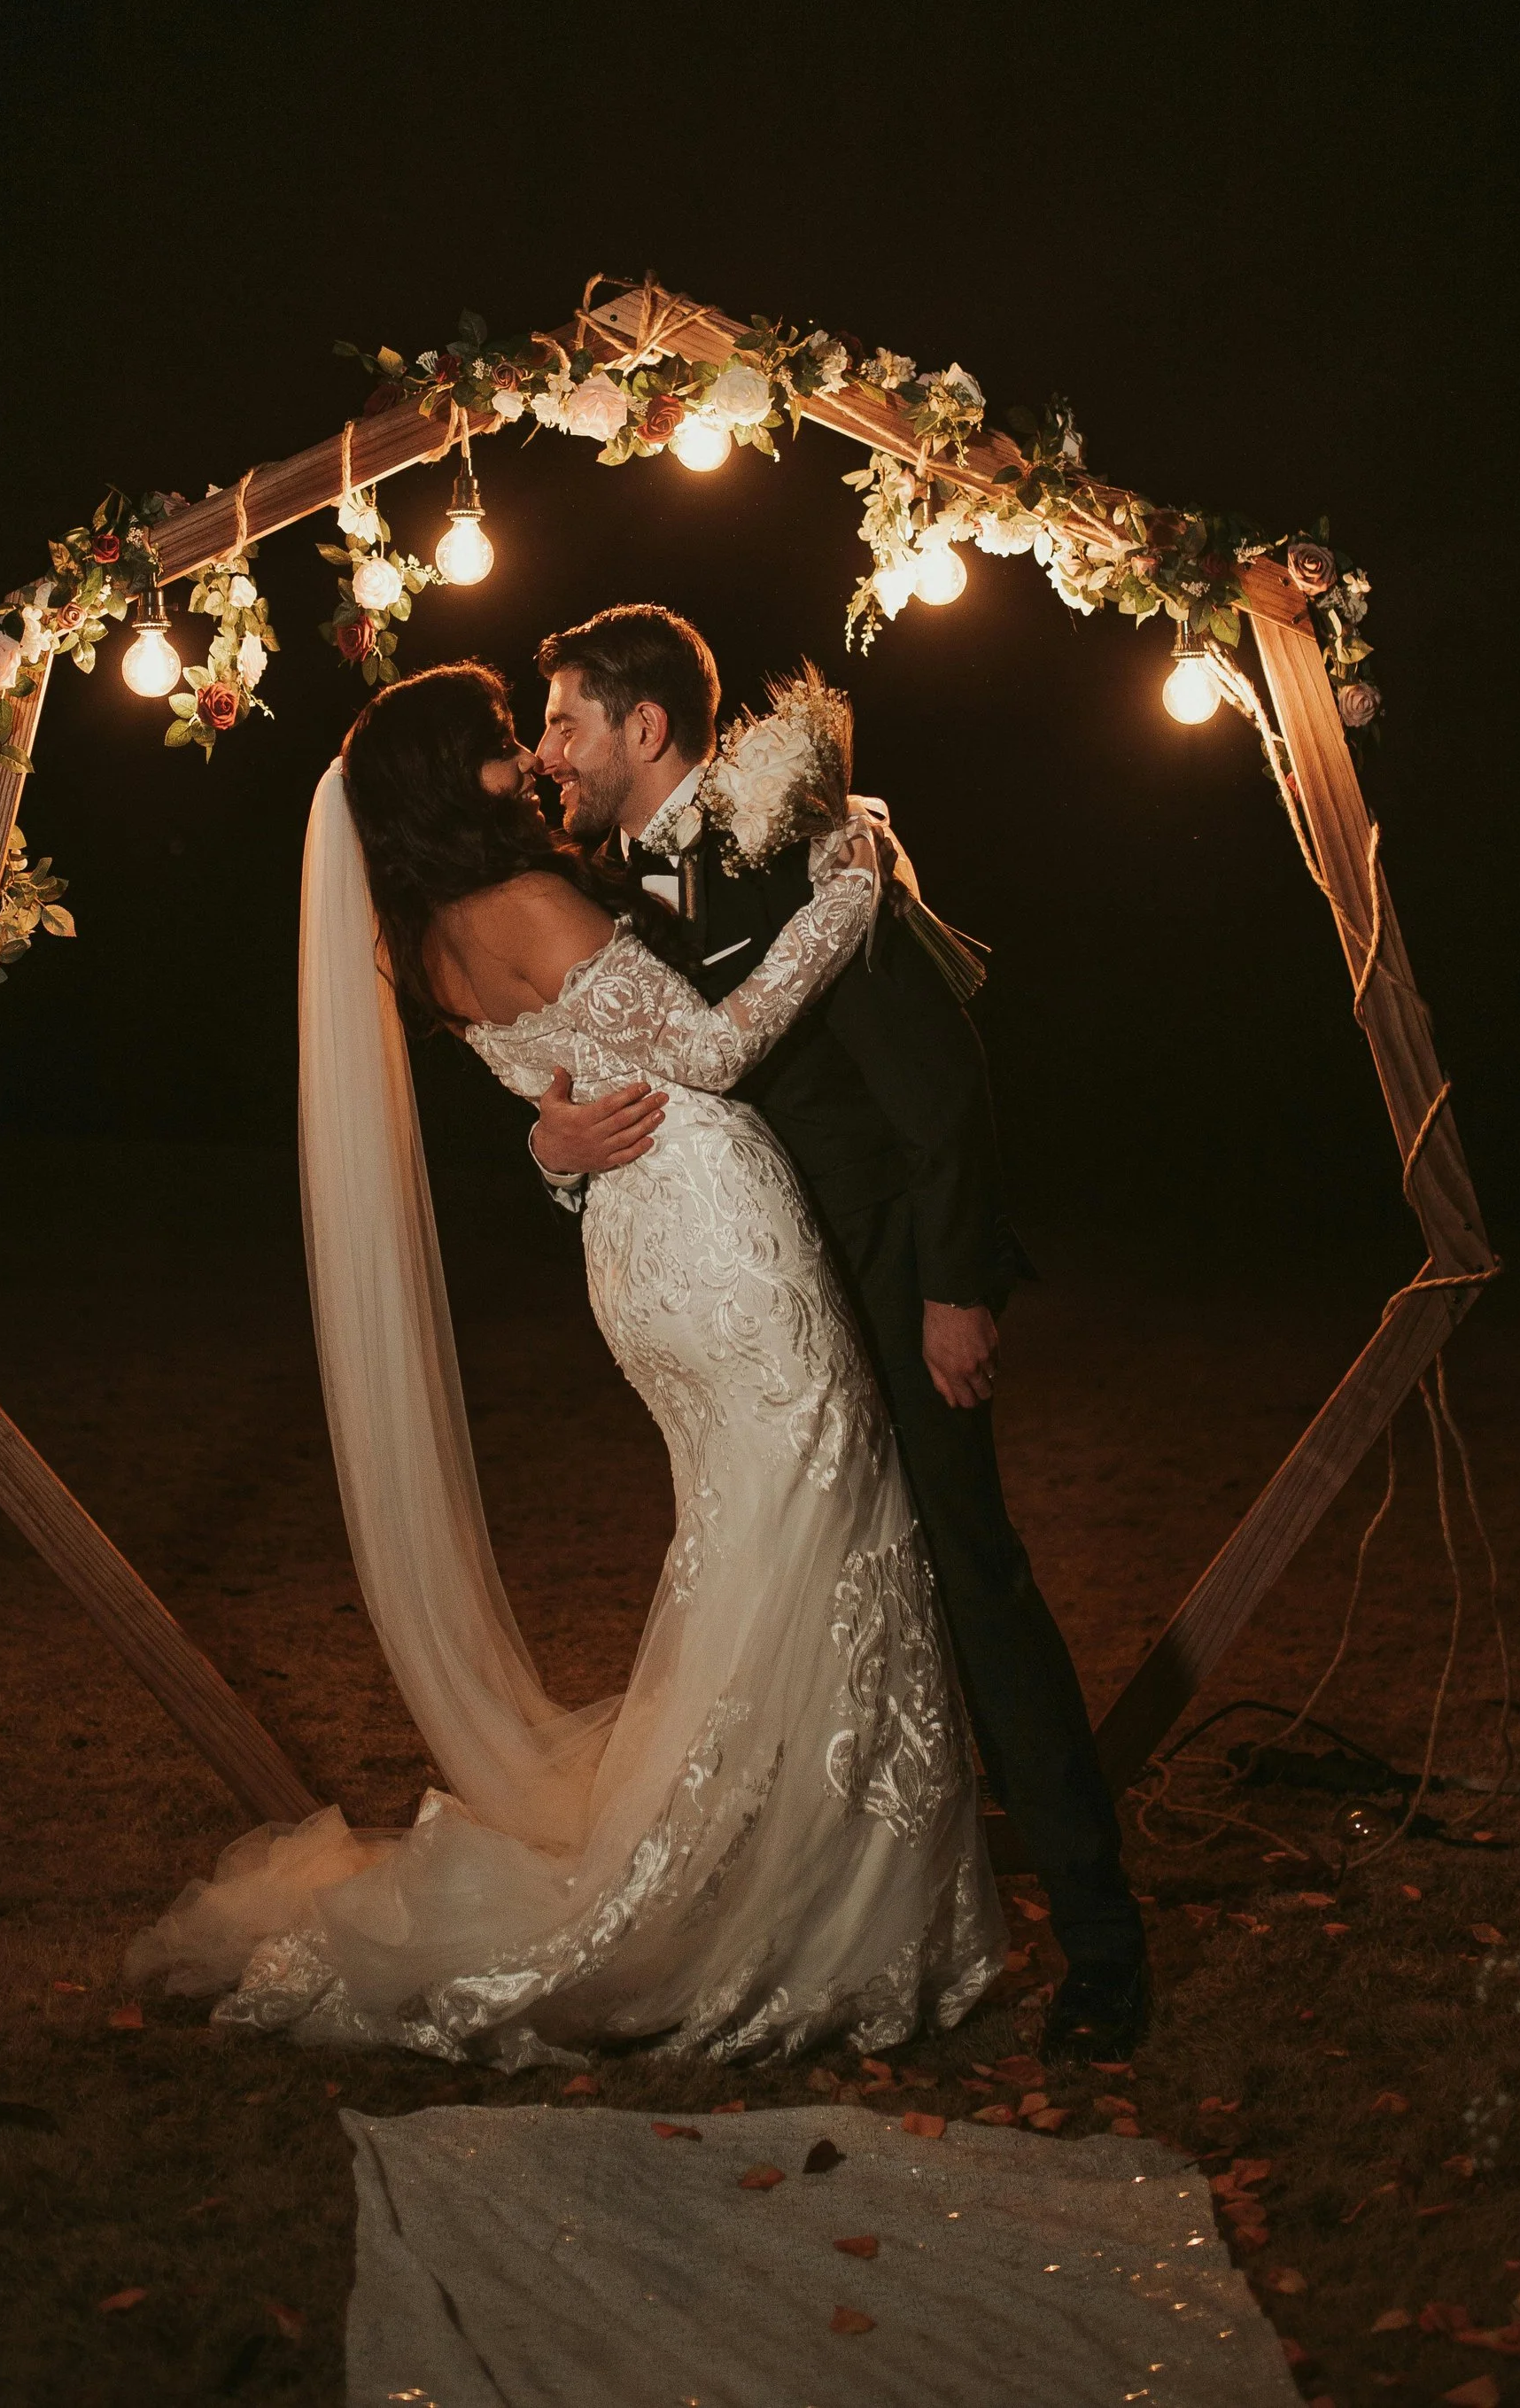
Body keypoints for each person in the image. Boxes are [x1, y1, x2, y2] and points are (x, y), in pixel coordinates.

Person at [128, 661, 1003, 2068]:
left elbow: (570, 1076)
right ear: (435, 784)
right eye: (494, 750)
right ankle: (784, 1902)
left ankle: (790, 1866)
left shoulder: (420, 942)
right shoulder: (530, 904)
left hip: (634, 1258)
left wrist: (547, 1150)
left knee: (759, 1548)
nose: (528, 762)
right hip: (723, 1244)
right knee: (823, 1529)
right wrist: (854, 887)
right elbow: (712, 1049)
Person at [528, 604, 1148, 2059]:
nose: (544, 748)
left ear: (645, 726)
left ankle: (1104, 1938)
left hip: (880, 1278)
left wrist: (953, 1287)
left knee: (971, 1576)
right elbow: (586, 1085)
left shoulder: (800, 843)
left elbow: (940, 1080)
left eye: (563, 718)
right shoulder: (583, 892)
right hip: (754, 1305)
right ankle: (833, 1915)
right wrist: (554, 1152)